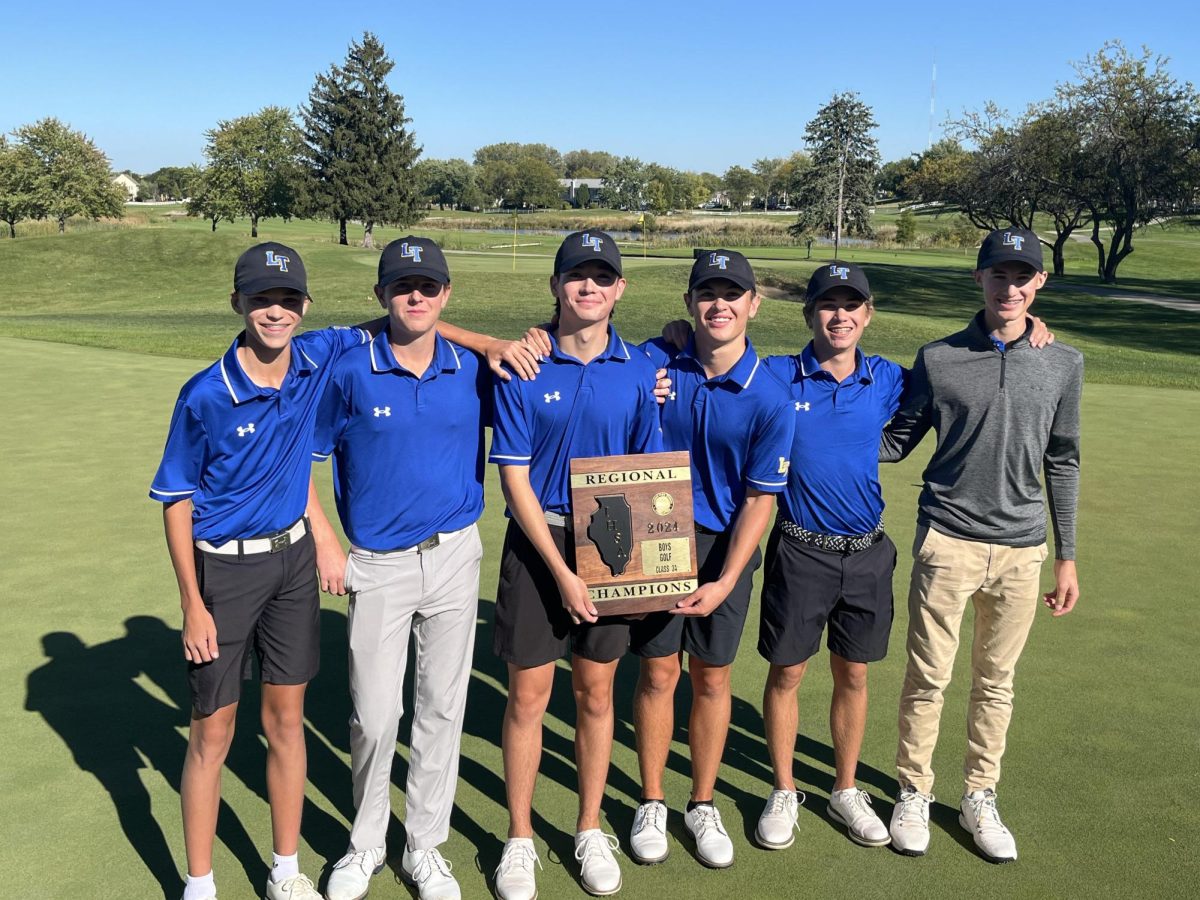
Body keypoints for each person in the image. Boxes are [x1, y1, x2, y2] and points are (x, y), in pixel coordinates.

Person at [149, 242, 374, 900]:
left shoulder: (315, 357)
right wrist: (191, 603)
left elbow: (404, 321)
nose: (274, 312)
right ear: (237, 305)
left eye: (286, 300)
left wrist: (498, 344)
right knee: (213, 730)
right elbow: (175, 501)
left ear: (304, 305)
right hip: (223, 572)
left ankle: (284, 868)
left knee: (285, 720)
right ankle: (200, 881)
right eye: (260, 300)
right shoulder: (204, 396)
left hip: (293, 566)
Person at [880, 226, 1083, 863]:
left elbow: (1064, 461)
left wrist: (1068, 555)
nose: (1011, 286)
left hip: (1023, 550)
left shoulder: (1063, 362)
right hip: (947, 540)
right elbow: (895, 439)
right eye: (999, 274)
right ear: (979, 279)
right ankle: (913, 791)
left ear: (1040, 284)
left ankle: (979, 795)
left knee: (996, 684)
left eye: (1023, 276)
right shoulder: (937, 358)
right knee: (927, 679)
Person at [308, 237, 489, 900]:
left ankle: (424, 845)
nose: (417, 297)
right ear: (380, 295)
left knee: (441, 707)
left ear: (447, 294)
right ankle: (365, 844)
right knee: (375, 715)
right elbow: (304, 456)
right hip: (377, 564)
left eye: (430, 287)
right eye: (403, 286)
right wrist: (327, 541)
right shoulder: (349, 369)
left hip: (455, 555)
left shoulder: (472, 367)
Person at [489, 231, 662, 899]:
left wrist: (627, 570)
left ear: (619, 289)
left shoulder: (645, 370)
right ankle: (521, 838)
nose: (588, 287)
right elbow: (515, 481)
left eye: (601, 277)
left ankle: (589, 828)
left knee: (595, 693)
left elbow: (646, 475)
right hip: (540, 548)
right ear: (555, 287)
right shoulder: (524, 367)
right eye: (575, 276)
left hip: (612, 546)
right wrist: (563, 572)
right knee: (528, 698)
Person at [626, 250, 793, 870]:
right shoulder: (655, 362)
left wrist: (727, 579)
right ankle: (651, 800)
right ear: (690, 302)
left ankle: (701, 802)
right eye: (706, 293)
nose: (719, 304)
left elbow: (758, 500)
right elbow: (581, 341)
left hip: (725, 546)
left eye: (732, 293)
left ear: (754, 303)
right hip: (658, 536)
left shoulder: (768, 396)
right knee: (659, 672)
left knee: (713, 676)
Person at [752, 262, 905, 852]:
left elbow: (947, 381)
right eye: (827, 305)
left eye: (851, 306)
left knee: (855, 672)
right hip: (800, 549)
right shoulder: (777, 375)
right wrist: (675, 334)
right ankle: (785, 788)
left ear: (867, 315)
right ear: (809, 312)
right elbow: (711, 360)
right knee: (788, 671)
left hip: (867, 553)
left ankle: (845, 788)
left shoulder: (888, 378)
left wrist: (1033, 328)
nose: (839, 316)